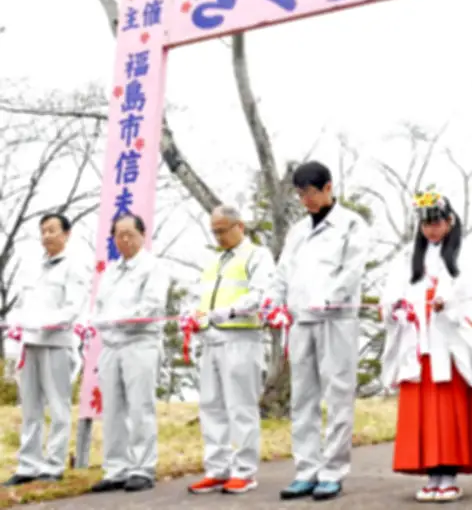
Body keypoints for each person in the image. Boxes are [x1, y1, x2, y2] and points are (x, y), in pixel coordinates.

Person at [380, 190, 472, 502]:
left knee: (448, 411)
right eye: (426, 223)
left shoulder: (463, 254)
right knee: (424, 414)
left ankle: (449, 475)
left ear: (450, 221)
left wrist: (448, 302)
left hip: (449, 343)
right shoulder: (407, 256)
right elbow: (391, 292)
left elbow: (471, 290)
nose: (431, 229)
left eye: (437, 222)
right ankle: (432, 475)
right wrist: (397, 307)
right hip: (419, 343)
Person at [271, 161, 370, 501]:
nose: (306, 200)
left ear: (328, 187)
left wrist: (329, 299)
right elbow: (283, 271)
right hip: (301, 322)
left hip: (336, 320)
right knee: (303, 398)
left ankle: (333, 470)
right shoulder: (297, 231)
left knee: (338, 394)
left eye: (310, 192)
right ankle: (306, 470)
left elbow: (352, 270)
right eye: (300, 194)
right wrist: (276, 301)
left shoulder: (351, 224)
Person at [186, 205, 275, 495]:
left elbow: (260, 294)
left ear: (240, 226)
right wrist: (194, 315)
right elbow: (198, 295)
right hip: (211, 339)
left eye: (223, 230)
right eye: (215, 231)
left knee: (241, 406)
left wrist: (229, 312)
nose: (219, 236)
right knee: (211, 406)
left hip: (241, 337)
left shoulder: (257, 255)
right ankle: (217, 468)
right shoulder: (214, 262)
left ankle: (244, 470)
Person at [3, 213, 87, 487]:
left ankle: (53, 464)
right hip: (30, 343)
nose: (47, 236)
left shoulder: (73, 267)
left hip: (56, 343)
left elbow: (73, 307)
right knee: (30, 407)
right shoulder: (33, 267)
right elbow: (23, 305)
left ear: (66, 234)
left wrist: (46, 323)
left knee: (58, 406)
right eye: (43, 231)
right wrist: (17, 326)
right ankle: (28, 464)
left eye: (52, 230)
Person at [89, 214, 170, 493]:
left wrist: (116, 318)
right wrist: (101, 321)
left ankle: (142, 467)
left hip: (140, 344)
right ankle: (116, 468)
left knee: (140, 406)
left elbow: (151, 306)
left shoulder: (153, 267)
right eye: (118, 234)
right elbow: (99, 307)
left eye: (129, 234)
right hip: (111, 345)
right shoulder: (110, 271)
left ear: (142, 235)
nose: (124, 239)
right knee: (111, 409)